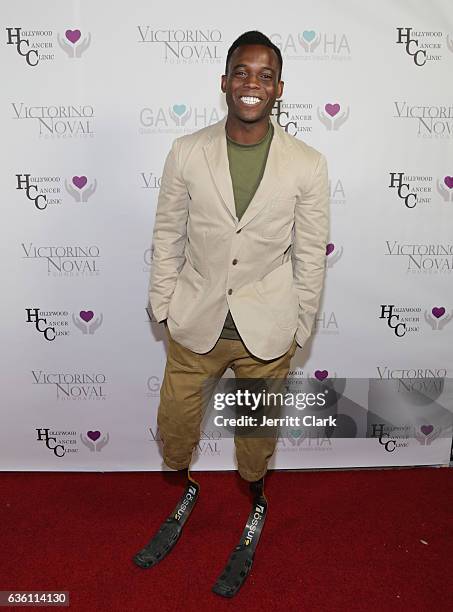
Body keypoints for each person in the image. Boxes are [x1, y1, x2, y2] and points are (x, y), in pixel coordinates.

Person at [133, 30, 329, 598]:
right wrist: (163, 305)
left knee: (256, 438)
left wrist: (300, 325)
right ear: (224, 81)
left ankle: (254, 492)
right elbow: (167, 233)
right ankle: (186, 480)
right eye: (242, 72)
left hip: (266, 329)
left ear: (279, 89)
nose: (252, 84)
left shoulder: (308, 164)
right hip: (194, 322)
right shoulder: (186, 151)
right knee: (175, 428)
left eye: (264, 76)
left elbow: (310, 254)